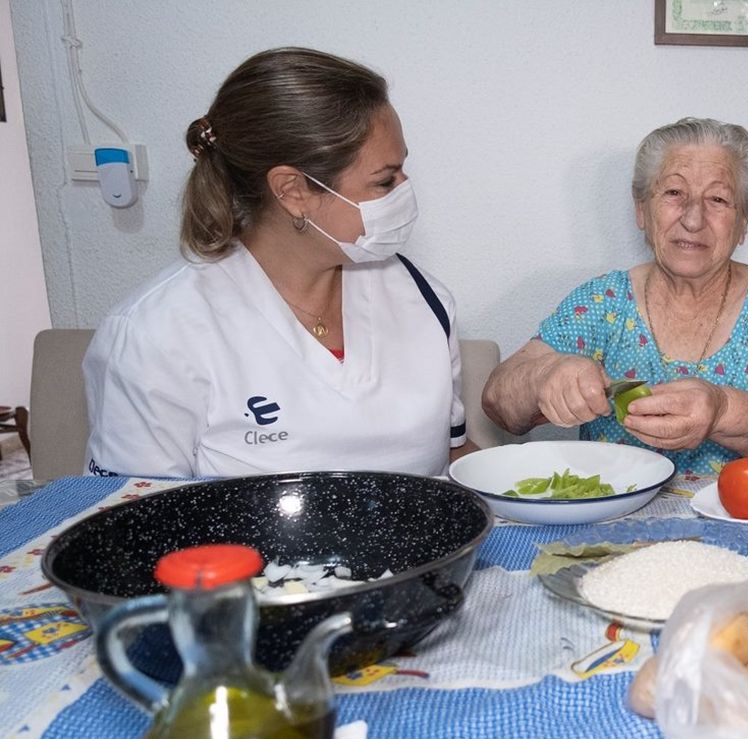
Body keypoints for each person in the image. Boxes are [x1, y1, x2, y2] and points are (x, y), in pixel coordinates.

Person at [84, 47, 477, 478]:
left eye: (401, 171)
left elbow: (453, 455)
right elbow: (131, 521)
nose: (405, 190)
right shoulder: (156, 335)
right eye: (385, 180)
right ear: (292, 190)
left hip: (428, 546)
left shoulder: (423, 299)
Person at [482, 117, 748, 475]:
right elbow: (497, 401)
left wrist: (722, 409)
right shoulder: (603, 301)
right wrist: (545, 374)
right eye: (674, 193)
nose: (694, 219)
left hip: (743, 515)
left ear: (743, 224)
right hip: (612, 519)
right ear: (642, 209)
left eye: (719, 199)